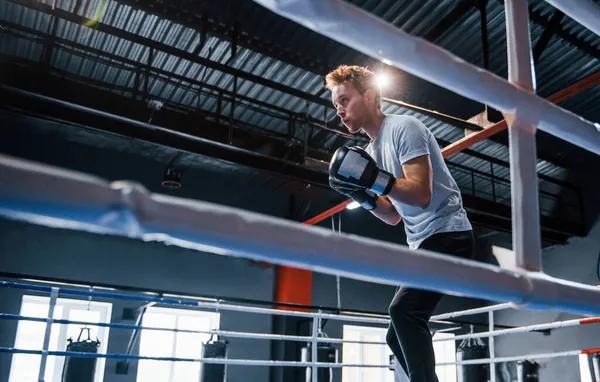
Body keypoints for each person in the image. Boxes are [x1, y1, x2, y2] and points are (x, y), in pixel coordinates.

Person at [325, 64, 475, 381]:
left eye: (345, 100)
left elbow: (420, 194)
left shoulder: (405, 127)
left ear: (370, 96)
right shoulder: (370, 151)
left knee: (404, 312)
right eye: (336, 104)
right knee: (395, 336)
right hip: (422, 244)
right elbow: (393, 214)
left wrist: (374, 179)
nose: (339, 110)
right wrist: (362, 194)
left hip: (450, 235)